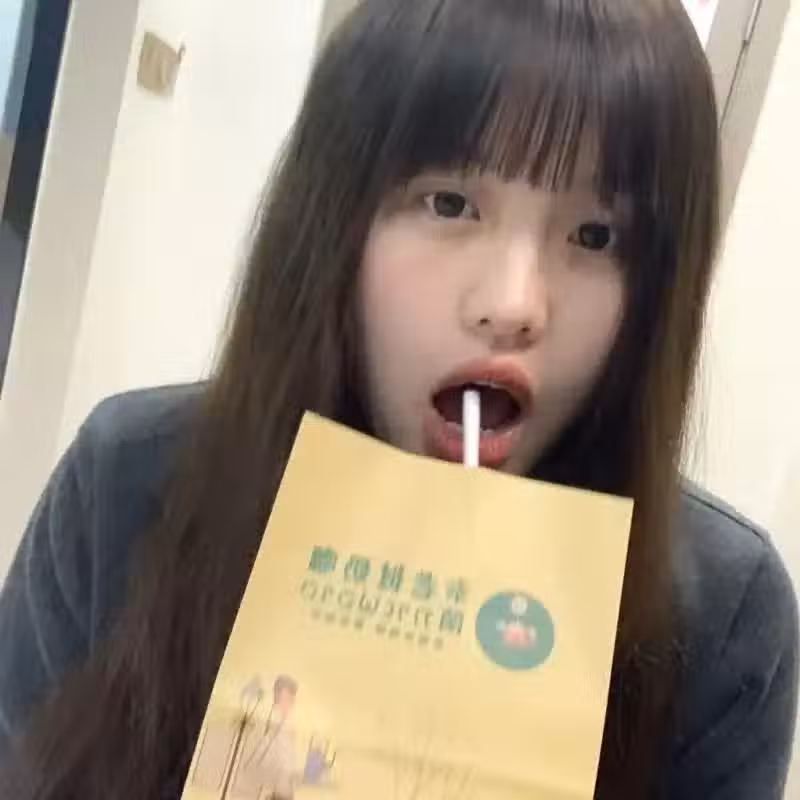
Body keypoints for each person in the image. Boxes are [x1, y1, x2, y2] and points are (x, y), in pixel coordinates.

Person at [0, 0, 796, 797]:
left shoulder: (724, 613)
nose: (513, 304)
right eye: (449, 203)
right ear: (335, 222)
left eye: (595, 236)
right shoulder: (129, 484)